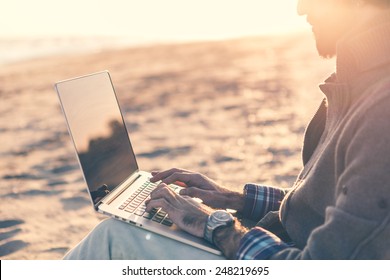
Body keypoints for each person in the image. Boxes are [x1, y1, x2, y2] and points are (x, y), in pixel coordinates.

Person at [64, 0, 390, 260]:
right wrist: (235, 199)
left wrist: (215, 225)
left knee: (115, 238)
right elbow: (327, 206)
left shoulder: (381, 110)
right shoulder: (356, 85)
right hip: (274, 243)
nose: (301, 9)